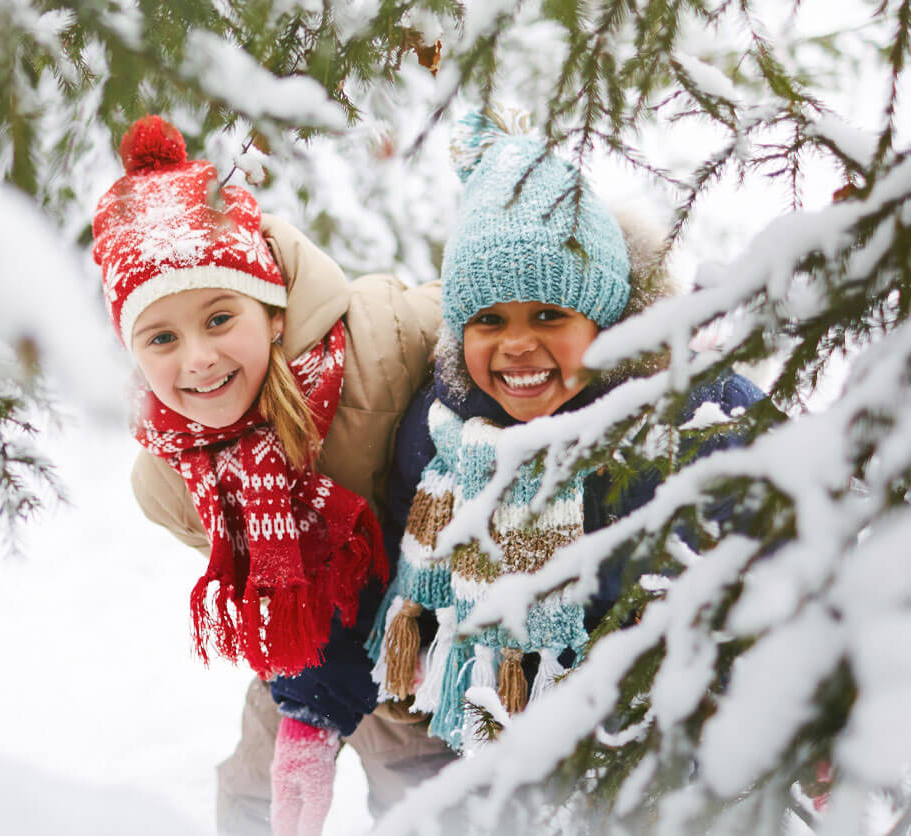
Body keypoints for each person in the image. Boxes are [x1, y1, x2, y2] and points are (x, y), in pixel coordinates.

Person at [92, 115, 456, 836]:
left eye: (220, 318)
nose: (196, 358)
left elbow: (481, 312)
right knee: (262, 787)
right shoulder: (168, 476)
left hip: (414, 625)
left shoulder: (375, 343)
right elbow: (266, 580)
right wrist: (308, 698)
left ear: (271, 309)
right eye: (162, 338)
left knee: (420, 781)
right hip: (303, 627)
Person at [367, 107, 766, 750]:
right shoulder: (444, 426)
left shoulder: (693, 412)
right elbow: (398, 526)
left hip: (667, 731)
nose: (517, 345)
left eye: (549, 314)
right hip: (506, 732)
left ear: (605, 321)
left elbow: (795, 529)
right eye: (489, 321)